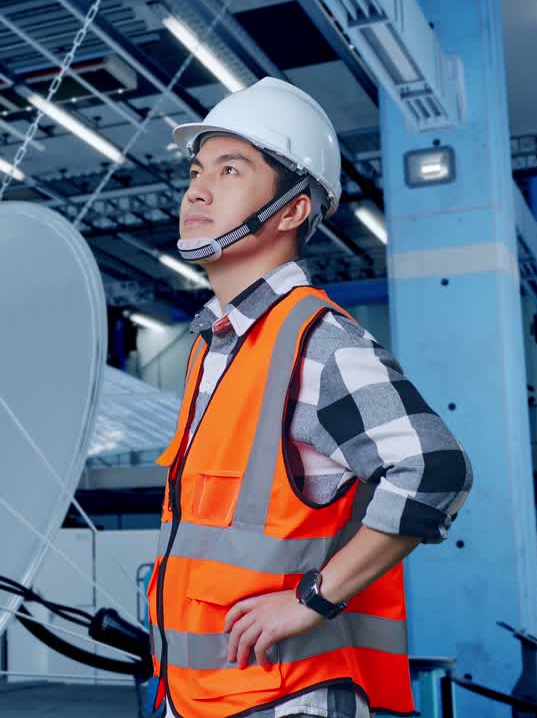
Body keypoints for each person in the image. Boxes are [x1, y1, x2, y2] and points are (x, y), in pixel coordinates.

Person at [145, 77, 473, 718]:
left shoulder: (315, 342)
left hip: (285, 698)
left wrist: (312, 600)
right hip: (203, 696)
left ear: (292, 211)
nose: (197, 191)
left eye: (231, 170)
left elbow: (435, 469)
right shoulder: (215, 346)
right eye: (195, 171)